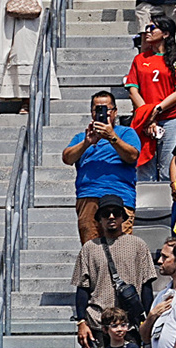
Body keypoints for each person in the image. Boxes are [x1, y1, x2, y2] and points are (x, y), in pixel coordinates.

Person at [64, 90, 139, 243]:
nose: (102, 113)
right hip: (89, 196)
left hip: (120, 196)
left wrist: (112, 137)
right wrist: (87, 143)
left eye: (106, 109)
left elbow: (132, 156)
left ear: (115, 112)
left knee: (121, 249)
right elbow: (67, 157)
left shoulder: (126, 133)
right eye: (97, 109)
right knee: (91, 249)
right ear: (92, 113)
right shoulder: (81, 137)